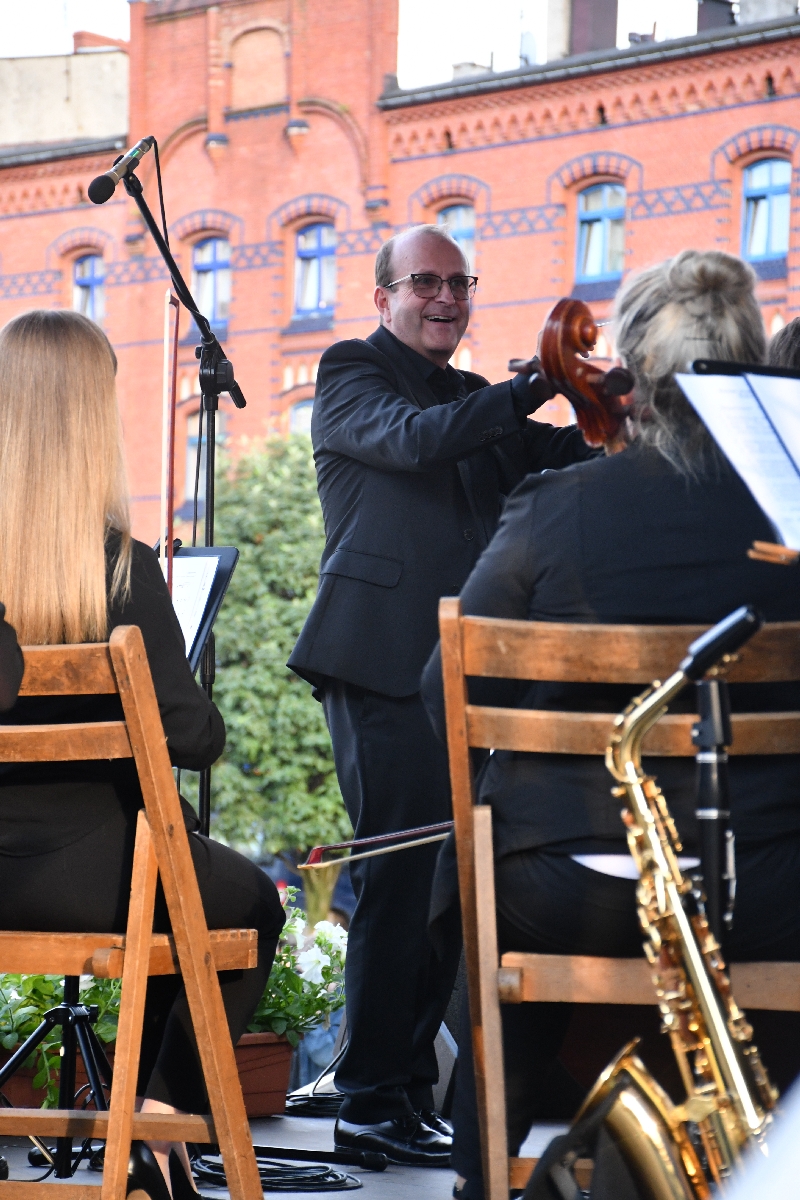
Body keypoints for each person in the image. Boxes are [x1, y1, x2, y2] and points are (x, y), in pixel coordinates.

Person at [421, 249, 800, 1199]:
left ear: (629, 367)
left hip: (573, 890)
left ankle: (482, 1174)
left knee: (482, 871)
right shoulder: (792, 514)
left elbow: (444, 694)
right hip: (773, 891)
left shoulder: (559, 508)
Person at [288, 222, 597, 1164]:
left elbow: (561, 468)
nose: (446, 297)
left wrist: (625, 419)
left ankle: (405, 1090)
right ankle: (371, 1097)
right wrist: (531, 386)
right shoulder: (349, 372)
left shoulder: (476, 400)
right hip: (380, 659)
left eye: (459, 283)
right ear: (382, 297)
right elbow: (416, 442)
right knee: (398, 878)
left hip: (465, 673)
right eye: (424, 281)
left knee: (448, 891)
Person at [0, 311, 285, 1200]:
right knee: (240, 902)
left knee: (180, 878)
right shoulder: (124, 570)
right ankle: (155, 1118)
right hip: (98, 877)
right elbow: (196, 736)